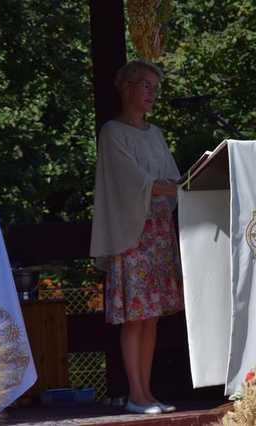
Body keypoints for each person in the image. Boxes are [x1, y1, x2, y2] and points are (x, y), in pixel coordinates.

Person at [89, 59, 184, 415]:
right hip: (133, 234)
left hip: (159, 232)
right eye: (146, 85)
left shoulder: (155, 133)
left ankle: (147, 393)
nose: (152, 93)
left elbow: (173, 178)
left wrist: (185, 185)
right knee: (135, 316)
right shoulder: (112, 132)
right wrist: (170, 188)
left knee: (152, 316)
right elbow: (131, 183)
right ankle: (136, 394)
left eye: (155, 87)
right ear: (127, 87)